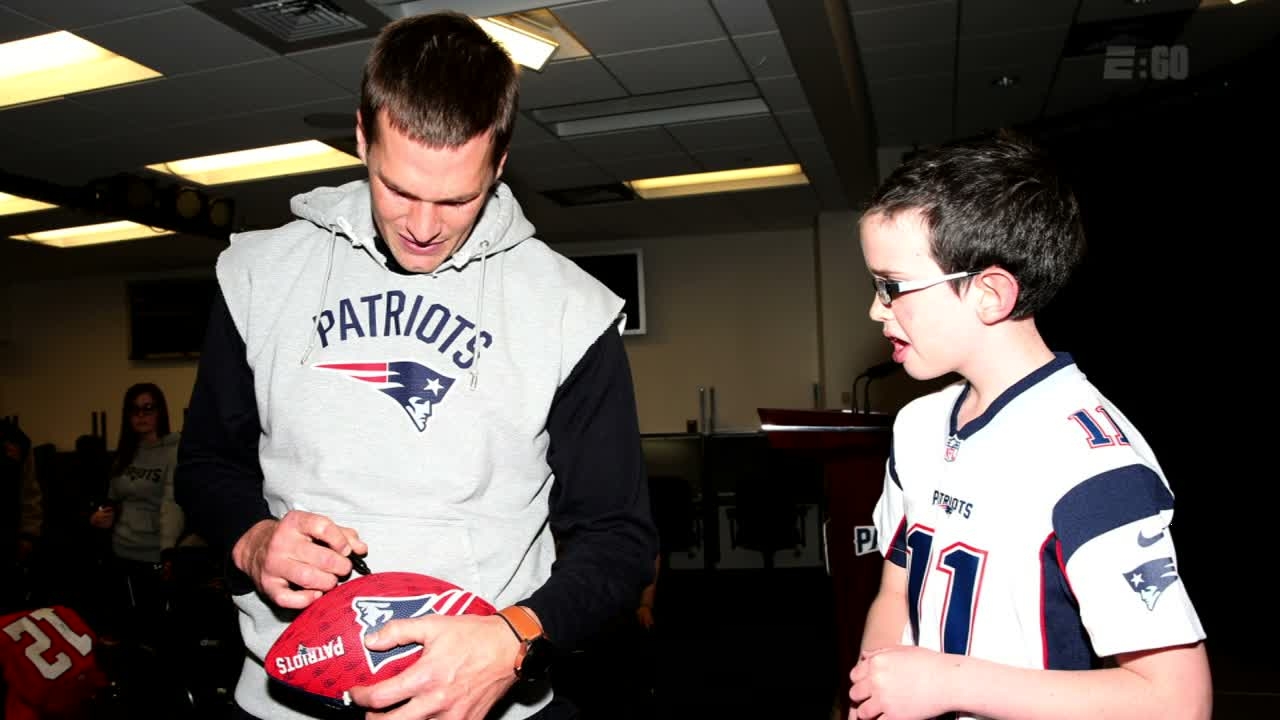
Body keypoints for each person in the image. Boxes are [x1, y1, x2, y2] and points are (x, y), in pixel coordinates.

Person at [174, 11, 657, 720]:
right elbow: (207, 465)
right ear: (363, 138)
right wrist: (251, 541)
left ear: (498, 162)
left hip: (486, 701)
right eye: (400, 190)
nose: (424, 226)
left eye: (457, 199)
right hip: (288, 699)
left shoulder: (569, 311)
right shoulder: (256, 275)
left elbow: (619, 539)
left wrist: (514, 636)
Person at [849, 131, 1211, 720]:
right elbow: (895, 592)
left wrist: (951, 683)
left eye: (892, 286)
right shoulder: (916, 424)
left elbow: (1178, 700)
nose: (875, 309)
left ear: (990, 293)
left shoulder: (1090, 460)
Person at [87, 383, 184, 644]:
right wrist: (99, 518)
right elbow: (112, 498)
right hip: (120, 554)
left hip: (154, 554)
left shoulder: (175, 449)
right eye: (134, 410)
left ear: (160, 412)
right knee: (123, 633)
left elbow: (171, 502)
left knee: (154, 635)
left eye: (148, 408)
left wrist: (167, 552)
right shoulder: (126, 452)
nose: (141, 416)